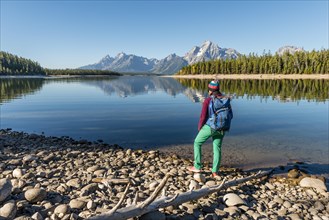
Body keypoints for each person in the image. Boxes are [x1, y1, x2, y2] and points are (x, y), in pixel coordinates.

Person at [187, 80, 233, 178]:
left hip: (211, 127)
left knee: (197, 142)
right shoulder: (226, 99)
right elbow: (231, 115)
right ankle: (215, 172)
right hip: (223, 127)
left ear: (210, 90)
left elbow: (203, 116)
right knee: (217, 148)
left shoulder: (208, 100)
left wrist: (200, 127)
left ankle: (197, 166)